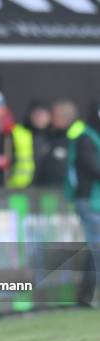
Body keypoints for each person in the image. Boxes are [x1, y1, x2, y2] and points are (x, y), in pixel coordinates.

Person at [62, 100, 100, 307]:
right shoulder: (86, 138)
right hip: (89, 201)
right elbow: (95, 168)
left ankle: (86, 295)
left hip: (95, 200)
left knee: (94, 249)